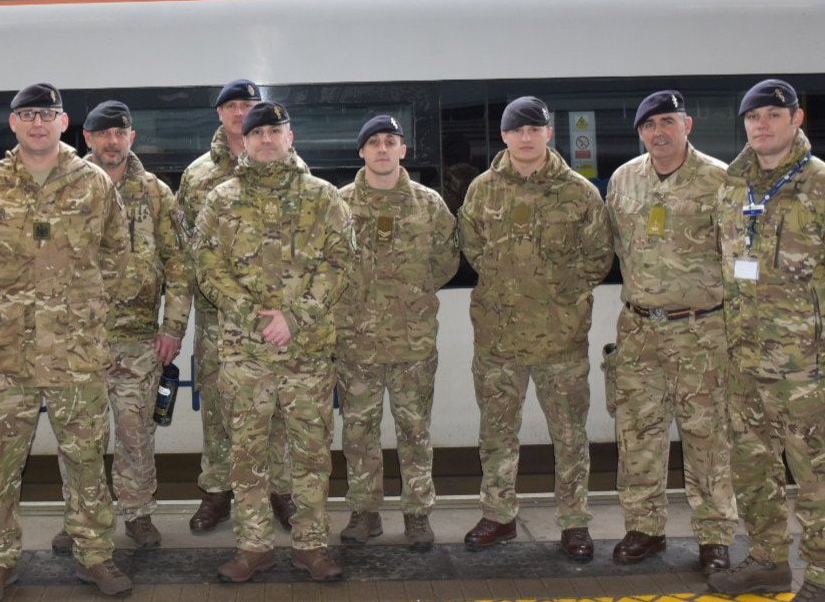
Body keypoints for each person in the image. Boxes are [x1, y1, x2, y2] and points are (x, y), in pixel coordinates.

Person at [708, 79, 825, 602]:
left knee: (814, 475)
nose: (760, 125)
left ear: (797, 119)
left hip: (802, 369)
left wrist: (822, 329)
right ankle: (767, 563)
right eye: (752, 117)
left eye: (772, 115)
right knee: (752, 469)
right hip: (743, 360)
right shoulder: (734, 186)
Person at [0, 83, 132, 601]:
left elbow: (117, 255)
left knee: (85, 459)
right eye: (28, 114)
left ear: (63, 123)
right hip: (6, 353)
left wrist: (84, 310)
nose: (38, 122)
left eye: (49, 114)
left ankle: (94, 556)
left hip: (76, 352)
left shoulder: (94, 183)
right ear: (13, 122)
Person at [193, 101, 353, 583]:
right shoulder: (221, 199)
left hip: (306, 353)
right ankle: (253, 547)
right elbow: (207, 265)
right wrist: (253, 317)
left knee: (310, 456)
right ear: (245, 139)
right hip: (245, 355)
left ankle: (311, 547)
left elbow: (340, 263)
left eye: (274, 131)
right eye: (256, 132)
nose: (266, 139)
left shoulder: (323, 197)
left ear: (291, 137)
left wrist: (295, 318)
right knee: (248, 457)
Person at [458, 96, 611, 561]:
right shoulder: (482, 190)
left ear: (548, 134)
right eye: (517, 130)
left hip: (560, 341)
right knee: (497, 433)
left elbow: (599, 257)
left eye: (534, 129)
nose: (526, 137)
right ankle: (499, 516)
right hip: (498, 341)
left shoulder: (579, 192)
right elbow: (472, 247)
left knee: (569, 436)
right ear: (504, 136)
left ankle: (574, 521)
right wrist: (510, 286)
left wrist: (555, 295)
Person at [604, 91, 737, 573]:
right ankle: (644, 528)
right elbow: (615, 246)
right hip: (639, 330)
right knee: (637, 434)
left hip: (702, 333)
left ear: (688, 125)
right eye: (649, 125)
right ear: (639, 132)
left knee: (708, 437)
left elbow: (742, 259)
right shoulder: (623, 179)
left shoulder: (721, 180)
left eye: (667, 122)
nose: (658, 132)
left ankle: (715, 536)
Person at [67, 99, 192, 549]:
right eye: (103, 133)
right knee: (80, 436)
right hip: (78, 339)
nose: (112, 141)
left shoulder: (157, 193)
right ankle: (80, 518)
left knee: (136, 433)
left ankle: (138, 512)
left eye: (120, 133)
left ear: (132, 137)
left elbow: (179, 264)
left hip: (138, 338)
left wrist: (173, 327)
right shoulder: (68, 188)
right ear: (88, 139)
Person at [175, 79, 294, 534]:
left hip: (277, 319)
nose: (241, 112)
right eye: (233, 106)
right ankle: (218, 490)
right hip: (217, 318)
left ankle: (280, 492)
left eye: (250, 105)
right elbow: (192, 249)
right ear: (220, 114)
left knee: (280, 407)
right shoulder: (199, 175)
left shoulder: (285, 167)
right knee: (219, 408)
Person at [336, 115, 459, 550]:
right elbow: (327, 267)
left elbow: (447, 261)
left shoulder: (429, 204)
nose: (383, 149)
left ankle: (417, 514)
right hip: (356, 344)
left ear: (403, 150)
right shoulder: (339, 204)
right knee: (358, 432)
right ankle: (364, 512)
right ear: (362, 152)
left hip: (413, 343)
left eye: (391, 141)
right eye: (374, 143)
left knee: (414, 432)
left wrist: (411, 294)